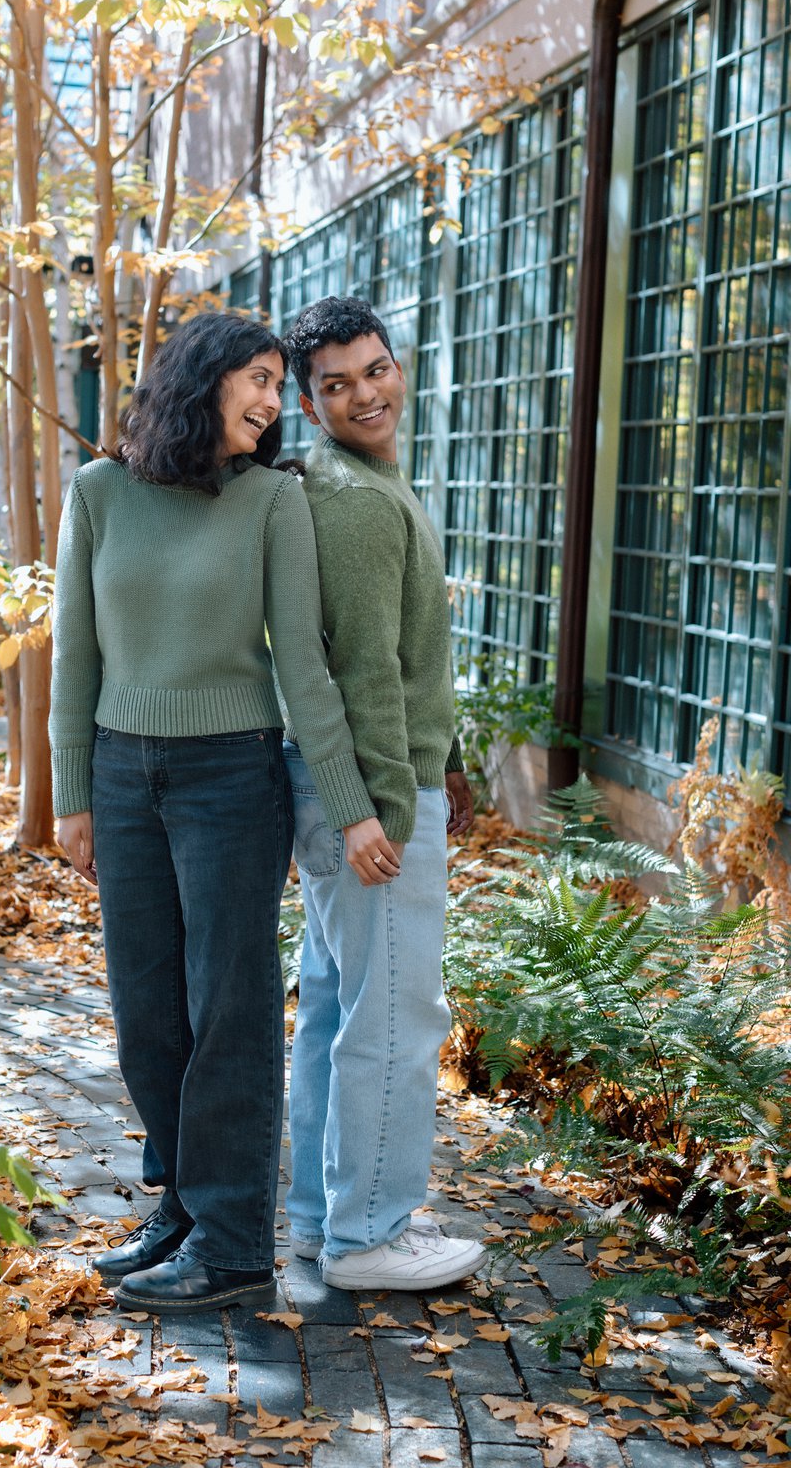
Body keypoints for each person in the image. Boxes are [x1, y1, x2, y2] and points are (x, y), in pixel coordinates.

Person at [50, 311, 395, 1316]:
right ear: (201, 380)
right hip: (122, 776)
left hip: (229, 779)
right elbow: (77, 659)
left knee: (230, 1009)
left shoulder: (269, 504)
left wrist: (352, 807)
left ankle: (236, 1239)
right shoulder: (99, 493)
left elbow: (303, 665)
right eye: (255, 375)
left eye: (278, 381)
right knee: (146, 1013)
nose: (269, 399)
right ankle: (185, 1210)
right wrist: (72, 791)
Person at [281, 296, 485, 1291]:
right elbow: (359, 672)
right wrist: (381, 811)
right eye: (335, 383)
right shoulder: (355, 502)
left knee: (337, 1007)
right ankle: (370, 1233)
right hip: (370, 799)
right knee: (396, 1015)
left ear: (397, 366)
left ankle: (328, 1217)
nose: (363, 393)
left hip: (351, 792)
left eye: (373, 369)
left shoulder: (352, 482)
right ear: (308, 401)